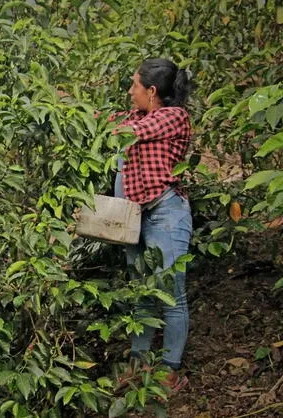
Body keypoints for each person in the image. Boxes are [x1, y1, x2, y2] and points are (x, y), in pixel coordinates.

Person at [111, 58, 194, 391]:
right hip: (135, 218)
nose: (130, 92)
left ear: (152, 90)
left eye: (134, 85)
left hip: (165, 214)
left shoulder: (173, 117)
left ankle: (170, 370)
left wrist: (105, 126)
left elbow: (129, 131)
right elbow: (113, 122)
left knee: (172, 295)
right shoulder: (139, 114)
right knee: (142, 292)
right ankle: (138, 364)